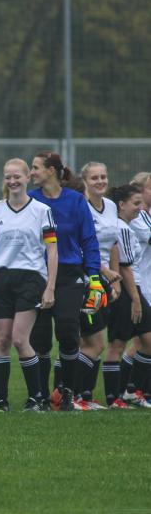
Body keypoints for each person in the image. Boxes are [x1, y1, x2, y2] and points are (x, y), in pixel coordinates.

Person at [28, 152, 103, 411]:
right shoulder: (31, 200)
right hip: (38, 274)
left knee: (69, 331)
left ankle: (66, 392)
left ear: (51, 171)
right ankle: (39, 397)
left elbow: (89, 240)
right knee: (39, 339)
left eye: (35, 168)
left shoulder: (75, 201)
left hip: (70, 274)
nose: (31, 173)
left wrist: (94, 277)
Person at [0, 159, 58, 412]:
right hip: (2, 279)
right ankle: (1, 401)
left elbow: (52, 250)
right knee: (2, 339)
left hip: (31, 279)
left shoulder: (41, 210)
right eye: (8, 177)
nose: (12, 181)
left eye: (17, 176)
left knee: (19, 339)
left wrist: (50, 287)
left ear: (27, 178)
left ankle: (36, 397)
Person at [75, 162, 120, 410]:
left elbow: (113, 243)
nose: (100, 181)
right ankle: (73, 395)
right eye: (94, 178)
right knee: (95, 344)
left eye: (103, 176)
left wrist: (113, 278)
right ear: (85, 182)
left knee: (91, 344)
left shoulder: (111, 206)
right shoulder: (81, 207)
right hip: (87, 277)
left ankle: (83, 396)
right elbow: (83, 247)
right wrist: (103, 272)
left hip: (102, 279)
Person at [106, 184, 151, 408]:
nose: (140, 208)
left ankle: (130, 390)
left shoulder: (127, 226)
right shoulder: (121, 228)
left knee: (145, 341)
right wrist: (135, 299)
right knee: (117, 344)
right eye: (136, 203)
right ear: (121, 205)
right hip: (127, 291)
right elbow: (124, 268)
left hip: (134, 289)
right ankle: (115, 397)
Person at [118, 172, 151, 407]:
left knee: (139, 342)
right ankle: (131, 389)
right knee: (140, 340)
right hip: (140, 285)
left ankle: (130, 389)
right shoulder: (137, 219)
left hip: (143, 283)